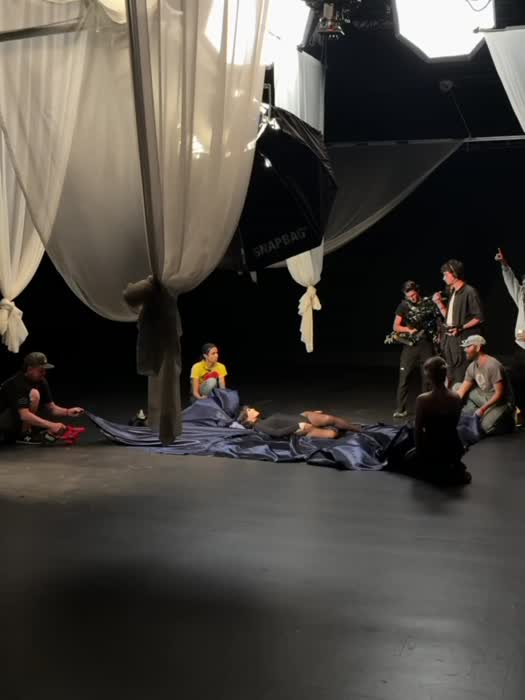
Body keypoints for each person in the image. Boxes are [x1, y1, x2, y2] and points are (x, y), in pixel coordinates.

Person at [403, 356, 471, 485]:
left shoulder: (422, 399)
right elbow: (453, 425)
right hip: (451, 447)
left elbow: (418, 430)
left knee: (407, 458)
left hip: (431, 447)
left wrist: (419, 452)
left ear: (428, 377)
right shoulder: (456, 397)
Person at [0, 352, 84, 445]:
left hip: (15, 415)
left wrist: (67, 412)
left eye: (44, 370)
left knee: (41, 406)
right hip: (3, 418)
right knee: (34, 394)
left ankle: (28, 431)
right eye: (41, 370)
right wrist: (51, 425)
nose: (44, 373)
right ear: (29, 369)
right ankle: (22, 435)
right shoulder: (17, 384)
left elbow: (51, 408)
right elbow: (24, 415)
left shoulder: (41, 381)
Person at [389, 280, 440, 418]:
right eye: (409, 296)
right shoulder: (403, 306)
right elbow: (395, 326)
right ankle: (401, 409)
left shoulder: (427, 303)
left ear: (417, 291)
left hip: (426, 345)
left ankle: (426, 408)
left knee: (427, 378)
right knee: (404, 377)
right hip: (410, 346)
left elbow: (438, 320)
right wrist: (408, 330)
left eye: (413, 295)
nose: (412, 298)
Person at [433, 259, 483, 386]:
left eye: (446, 274)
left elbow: (479, 317)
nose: (443, 278)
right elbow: (449, 318)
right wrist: (439, 303)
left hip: (461, 342)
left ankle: (460, 397)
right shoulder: (453, 292)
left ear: (455, 273)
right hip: (450, 341)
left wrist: (461, 328)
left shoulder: (469, 291)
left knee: (461, 377)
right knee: (449, 376)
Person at [454, 335, 515, 436]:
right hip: (485, 396)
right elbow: (461, 391)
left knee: (483, 427)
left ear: (478, 348)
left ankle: (507, 421)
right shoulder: (472, 366)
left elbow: (499, 394)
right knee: (457, 387)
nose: (465, 350)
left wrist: (482, 409)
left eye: (468, 346)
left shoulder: (492, 365)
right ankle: (477, 415)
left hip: (501, 402)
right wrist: (447, 406)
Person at [495, 247, 525, 418]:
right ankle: (521, 410)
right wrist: (504, 265)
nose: (524, 286)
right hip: (521, 348)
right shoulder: (522, 298)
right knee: (516, 380)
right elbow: (512, 283)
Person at [237, 407, 362, 440]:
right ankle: (329, 427)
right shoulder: (259, 426)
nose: (252, 409)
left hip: (302, 417)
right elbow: (277, 433)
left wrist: (304, 415)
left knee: (329, 418)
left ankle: (356, 429)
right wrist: (298, 426)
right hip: (303, 428)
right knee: (332, 434)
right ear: (249, 419)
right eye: (249, 410)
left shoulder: (261, 420)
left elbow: (284, 419)